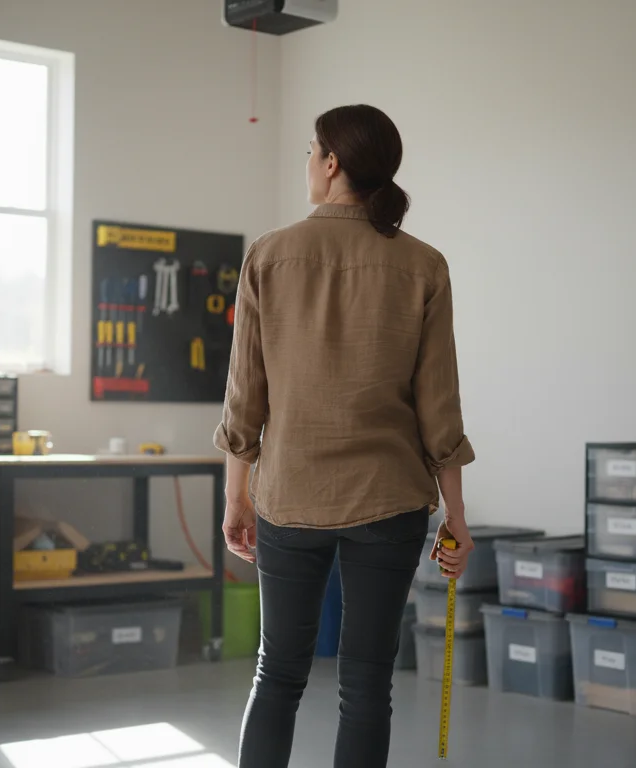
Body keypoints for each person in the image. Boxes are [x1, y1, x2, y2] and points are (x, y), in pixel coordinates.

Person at [213, 104, 476, 768]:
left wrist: (236, 498)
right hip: (389, 499)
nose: (308, 162)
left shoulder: (268, 256)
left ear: (332, 164)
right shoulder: (424, 265)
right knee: (366, 686)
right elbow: (439, 405)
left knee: (277, 673)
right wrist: (456, 514)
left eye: (311, 151)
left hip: (289, 496)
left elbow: (245, 398)